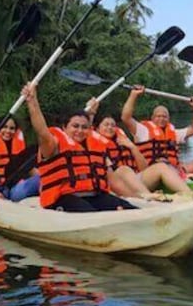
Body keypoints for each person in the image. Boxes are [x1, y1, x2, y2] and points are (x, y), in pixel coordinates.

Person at [25, 82, 137, 212]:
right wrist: (32, 102)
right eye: (75, 126)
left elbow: (114, 182)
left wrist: (138, 198)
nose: (80, 130)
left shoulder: (95, 148)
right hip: (63, 198)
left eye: (84, 127)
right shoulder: (53, 145)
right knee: (89, 213)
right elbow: (41, 131)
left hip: (95, 196)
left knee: (130, 209)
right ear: (64, 127)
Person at [95, 114, 193, 199]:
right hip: (115, 186)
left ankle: (190, 194)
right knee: (124, 169)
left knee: (161, 166)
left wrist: (133, 147)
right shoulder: (93, 143)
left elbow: (144, 168)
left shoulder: (124, 142)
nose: (110, 128)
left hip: (135, 182)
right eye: (106, 125)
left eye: (113, 125)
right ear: (97, 128)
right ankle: (149, 197)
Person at [121, 85, 193, 176]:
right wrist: (133, 95)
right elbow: (126, 117)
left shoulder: (174, 133)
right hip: (151, 172)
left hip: (173, 170)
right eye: (158, 116)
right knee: (163, 167)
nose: (161, 119)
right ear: (152, 118)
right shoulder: (143, 130)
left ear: (168, 119)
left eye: (164, 116)